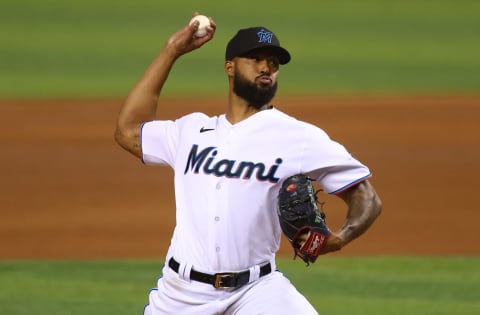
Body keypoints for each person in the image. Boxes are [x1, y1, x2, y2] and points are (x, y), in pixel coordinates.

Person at [115, 13, 382, 315]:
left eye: (273, 62)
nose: (266, 66)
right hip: (181, 295)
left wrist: (341, 237)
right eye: (255, 58)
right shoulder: (190, 132)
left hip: (257, 291)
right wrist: (171, 50)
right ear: (230, 67)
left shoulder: (297, 136)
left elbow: (367, 197)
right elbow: (127, 131)